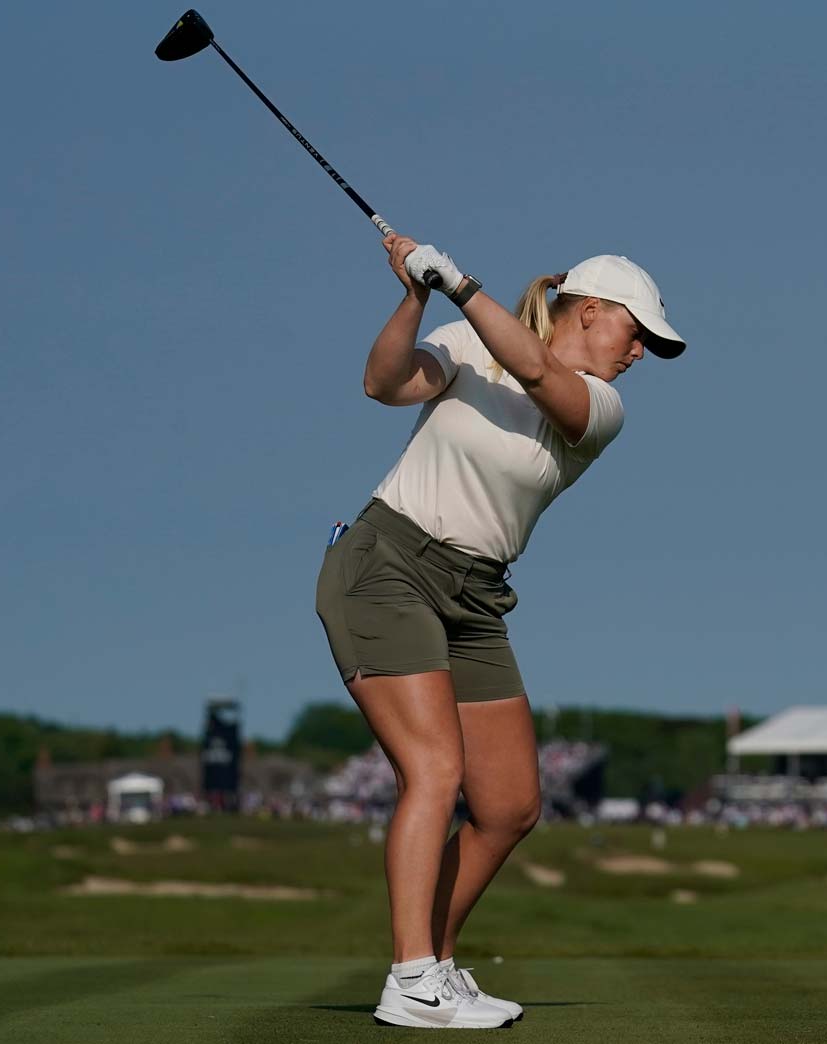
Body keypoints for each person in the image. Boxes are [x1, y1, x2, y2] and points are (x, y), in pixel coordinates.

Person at [315, 233, 685, 1029]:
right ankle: (411, 976)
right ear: (591, 311)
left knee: (511, 804)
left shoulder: (600, 408)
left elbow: (538, 370)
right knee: (435, 771)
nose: (642, 355)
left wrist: (457, 282)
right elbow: (383, 383)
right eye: (638, 335)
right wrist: (417, 293)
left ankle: (437, 965)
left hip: (477, 598)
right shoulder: (463, 346)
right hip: (388, 567)